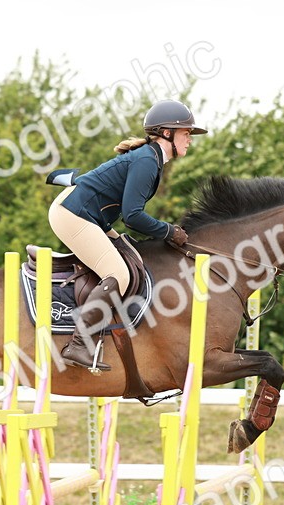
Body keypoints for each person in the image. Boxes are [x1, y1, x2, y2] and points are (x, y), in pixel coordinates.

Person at [47, 99, 206, 371]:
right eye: (186, 133)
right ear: (167, 133)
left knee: (134, 259)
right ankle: (78, 344)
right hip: (72, 213)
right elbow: (132, 217)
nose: (190, 139)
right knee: (119, 274)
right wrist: (169, 231)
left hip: (91, 215)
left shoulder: (151, 158)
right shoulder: (147, 160)